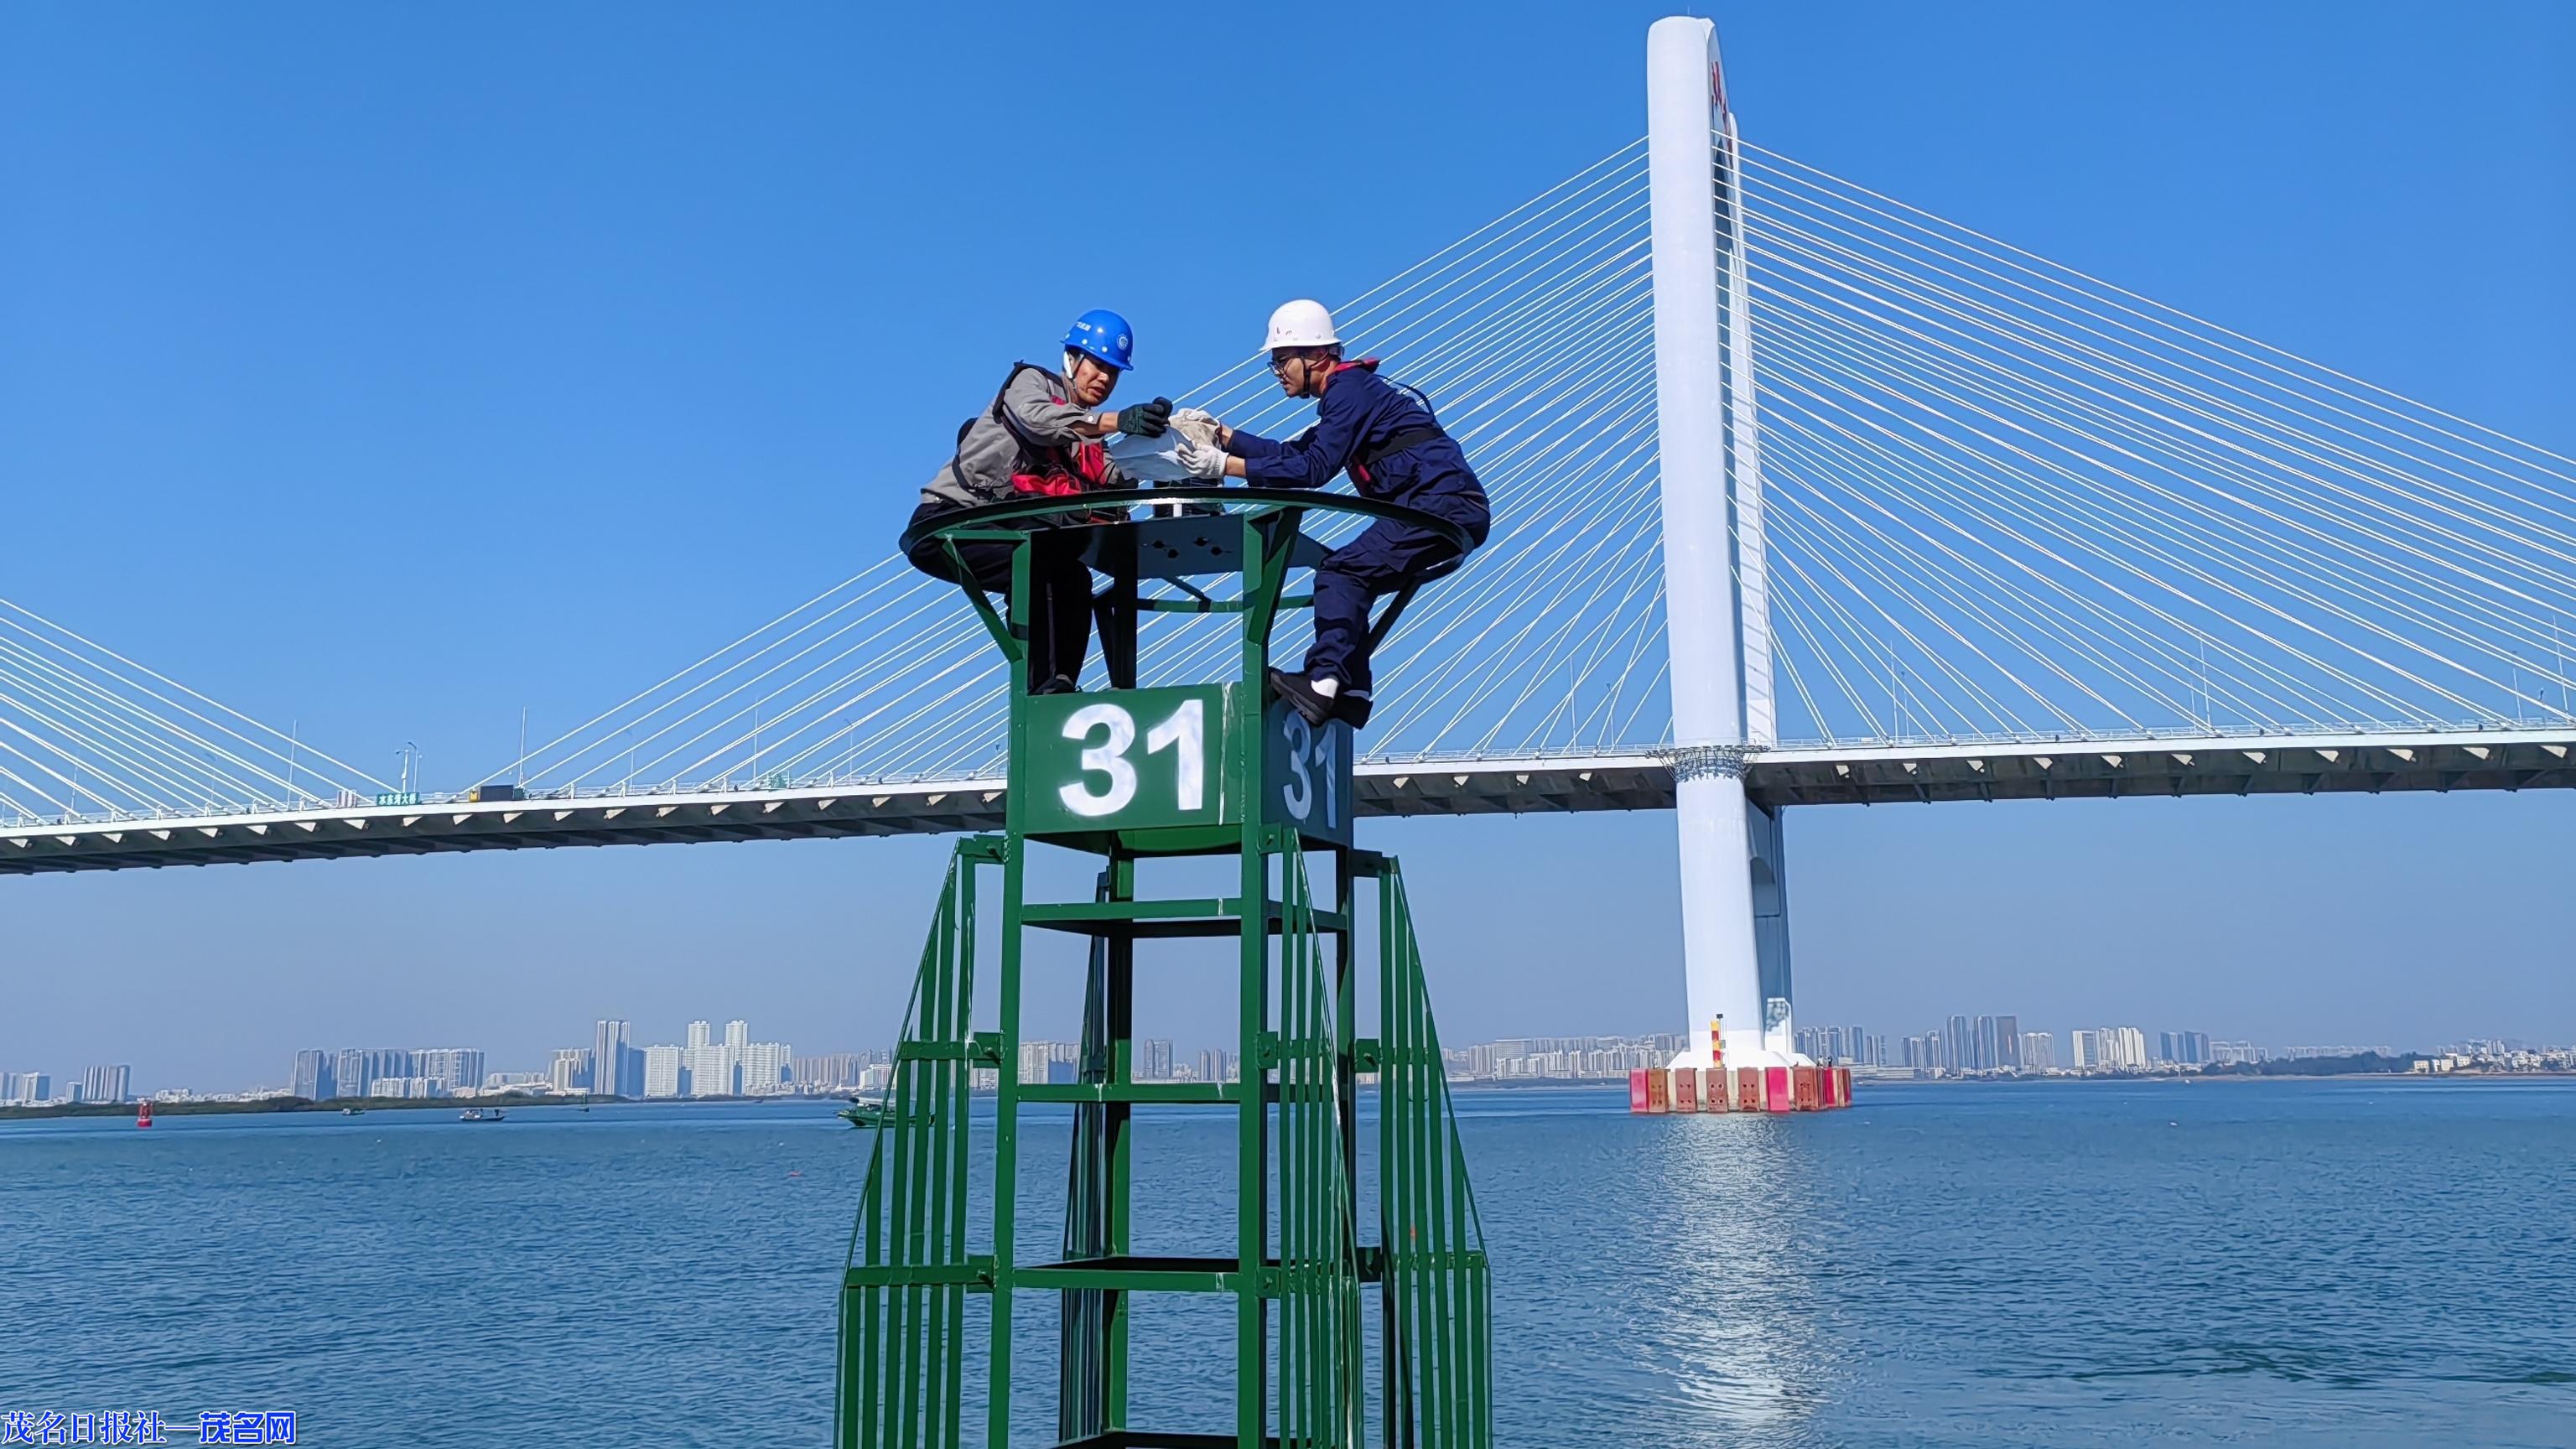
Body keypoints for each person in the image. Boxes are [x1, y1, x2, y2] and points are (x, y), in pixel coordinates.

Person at [1192, 299, 1490, 728]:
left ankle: (1324, 680)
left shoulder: (1349, 394)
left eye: (1281, 360)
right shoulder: (1354, 395)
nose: (1277, 372)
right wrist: (1224, 437)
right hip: (1445, 506)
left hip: (1439, 506)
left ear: (1315, 356)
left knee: (1341, 573)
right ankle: (1352, 693)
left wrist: (1222, 467)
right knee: (1356, 579)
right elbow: (1293, 454)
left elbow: (1311, 470)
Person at [907, 309, 1173, 693]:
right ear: (1072, 358)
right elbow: (1039, 420)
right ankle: (1041, 691)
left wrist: (1154, 448)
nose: (1104, 378)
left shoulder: (1089, 431)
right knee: (1041, 566)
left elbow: (1112, 478)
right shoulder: (1030, 382)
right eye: (1097, 365)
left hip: (1009, 532)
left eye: (1113, 372)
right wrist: (1118, 421)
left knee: (1070, 575)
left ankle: (1059, 687)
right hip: (952, 521)